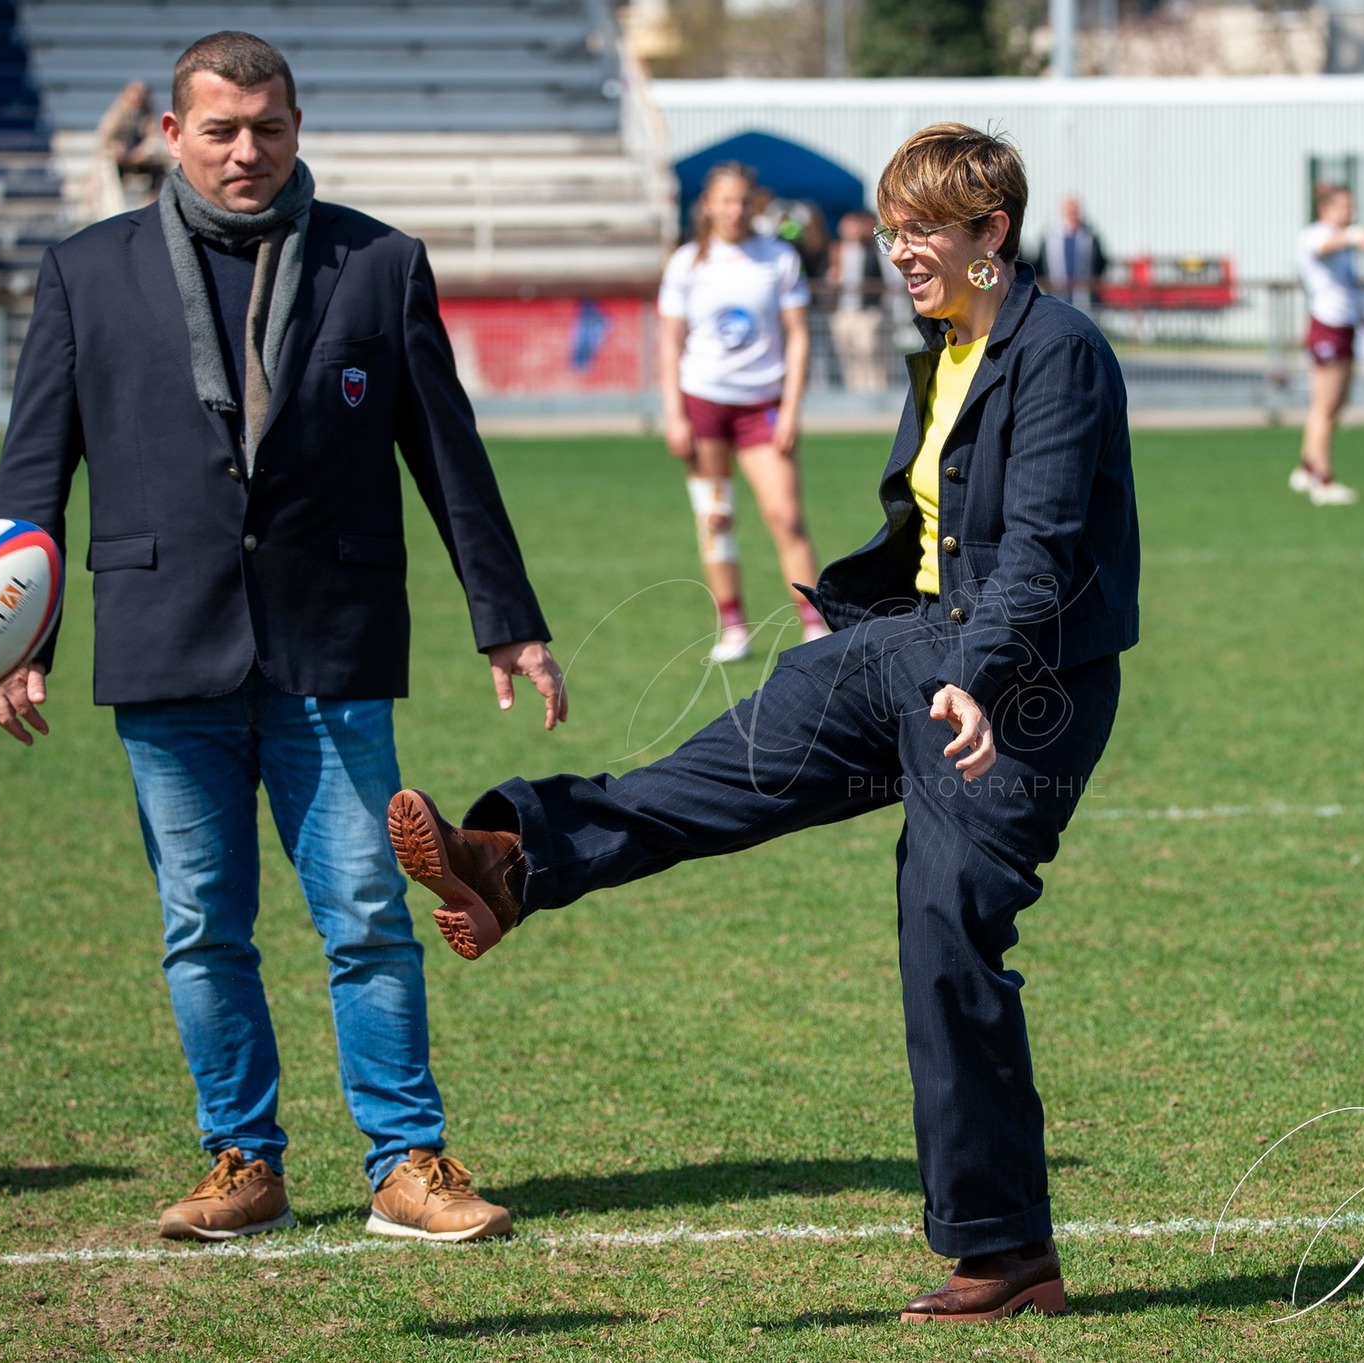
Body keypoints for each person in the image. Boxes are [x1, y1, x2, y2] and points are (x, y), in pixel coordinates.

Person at [387, 122, 1138, 1324]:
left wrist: (981, 679)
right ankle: (513, 857)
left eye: (922, 231)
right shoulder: (944, 342)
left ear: (992, 233)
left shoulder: (1058, 354)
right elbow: (939, 533)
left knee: (945, 930)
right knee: (716, 772)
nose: (897, 251)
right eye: (888, 230)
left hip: (1021, 688)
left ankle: (1006, 1256)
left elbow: (1041, 554)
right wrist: (848, 614)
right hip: (913, 643)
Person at [0, 31, 567, 1245]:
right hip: (162, 641)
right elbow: (36, 464)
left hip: (332, 647)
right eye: (221, 131)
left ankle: (408, 1165)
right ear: (171, 137)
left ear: (297, 127)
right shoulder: (86, 271)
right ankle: (241, 1160)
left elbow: (448, 456)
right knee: (202, 923)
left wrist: (505, 620)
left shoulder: (379, 262)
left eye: (270, 129)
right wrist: (13, 633)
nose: (246, 152)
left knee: (364, 912)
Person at [659, 162, 830, 663]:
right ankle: (733, 626)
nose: (734, 211)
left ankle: (814, 622)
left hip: (764, 407)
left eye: (742, 201)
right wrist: (674, 413)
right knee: (716, 518)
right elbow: (670, 344)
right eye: (724, 201)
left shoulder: (777, 258)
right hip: (704, 405)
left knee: (786, 515)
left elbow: (798, 337)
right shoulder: (685, 264)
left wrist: (793, 407)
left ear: (754, 204)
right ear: (708, 205)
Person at [1291, 184, 1364, 506]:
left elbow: (1350, 292)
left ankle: (1305, 466)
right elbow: (1322, 247)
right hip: (1327, 327)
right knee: (1324, 408)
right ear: (1325, 210)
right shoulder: (1316, 235)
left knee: (1336, 405)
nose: (1350, 214)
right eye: (1344, 208)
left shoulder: (1342, 246)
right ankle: (1322, 479)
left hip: (1345, 327)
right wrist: (1354, 235)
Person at [827, 209, 890, 391]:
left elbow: (885, 277)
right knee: (847, 355)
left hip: (867, 312)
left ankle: (875, 392)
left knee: (869, 353)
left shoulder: (874, 250)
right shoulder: (836, 249)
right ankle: (853, 391)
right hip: (843, 311)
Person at [93, 79, 173, 190]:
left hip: (142, 160)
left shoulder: (148, 115)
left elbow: (155, 138)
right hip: (119, 160)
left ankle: (152, 199)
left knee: (160, 170)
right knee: (109, 171)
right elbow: (105, 137)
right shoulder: (117, 114)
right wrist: (116, 147)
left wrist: (144, 151)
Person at [1033, 195, 1106, 311]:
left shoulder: (1090, 237)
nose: (1072, 214)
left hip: (1084, 299)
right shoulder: (1050, 238)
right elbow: (1040, 265)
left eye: (1075, 211)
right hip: (1056, 295)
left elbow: (1100, 264)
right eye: (1070, 211)